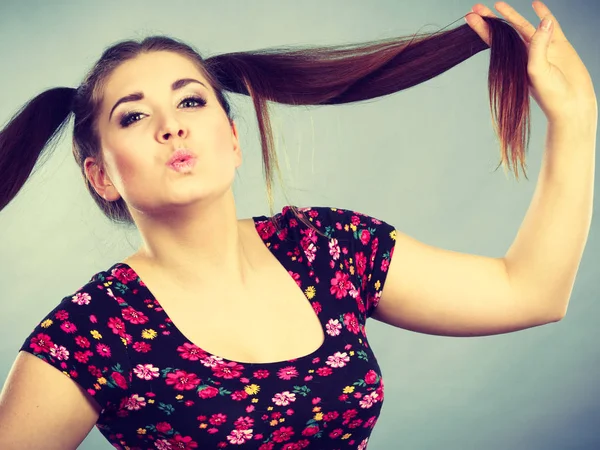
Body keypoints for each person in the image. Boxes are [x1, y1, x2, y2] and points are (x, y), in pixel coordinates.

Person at [0, 1, 595, 449]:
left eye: (191, 101)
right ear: (101, 175)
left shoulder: (326, 249)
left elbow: (531, 292)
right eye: (133, 116)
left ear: (232, 140)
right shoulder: (91, 332)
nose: (171, 126)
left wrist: (577, 117)